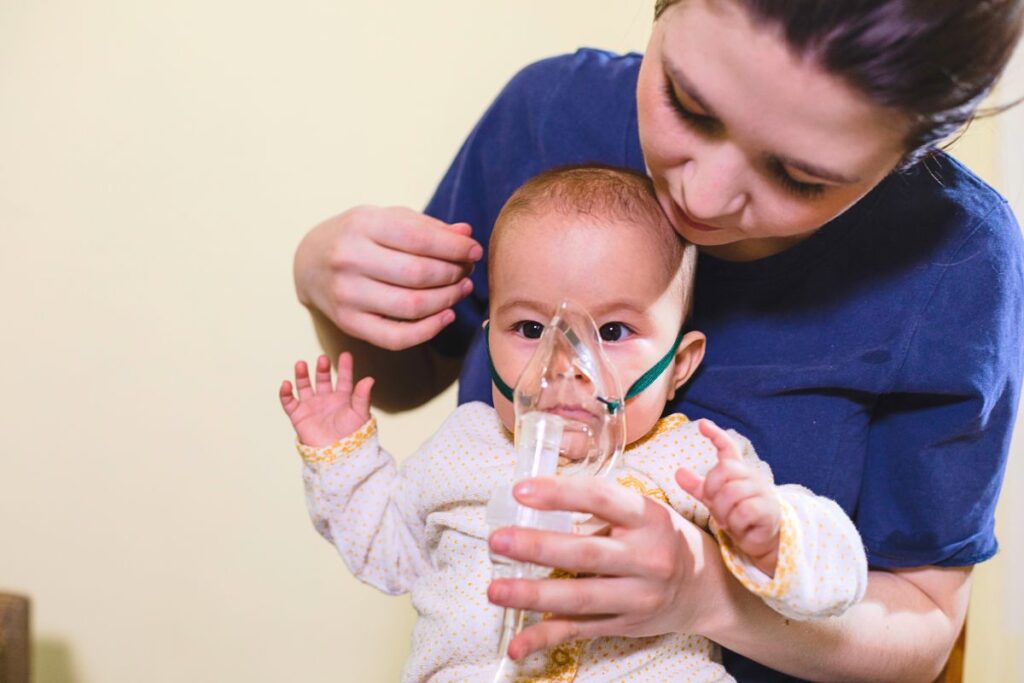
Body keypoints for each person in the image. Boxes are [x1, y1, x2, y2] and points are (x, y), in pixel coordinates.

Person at [292, 1, 1024, 680]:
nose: (700, 199)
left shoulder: (956, 260)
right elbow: (406, 384)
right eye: (689, 104)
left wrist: (705, 594)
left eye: (800, 176)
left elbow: (923, 628)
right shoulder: (548, 117)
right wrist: (324, 281)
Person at [281, 166, 868, 682]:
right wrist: (344, 457)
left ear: (679, 365)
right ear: (488, 346)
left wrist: (772, 531)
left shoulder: (696, 461)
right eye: (531, 329)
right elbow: (394, 555)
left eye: (611, 332)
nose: (565, 366)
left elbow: (838, 578)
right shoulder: (466, 446)